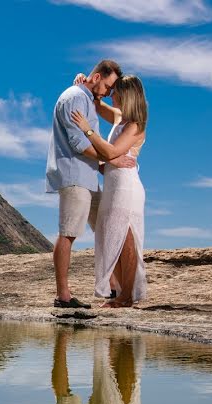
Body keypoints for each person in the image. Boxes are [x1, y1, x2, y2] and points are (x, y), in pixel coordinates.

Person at [46, 60, 136, 309]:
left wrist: (103, 164)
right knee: (69, 232)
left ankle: (116, 287)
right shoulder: (75, 97)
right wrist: (111, 158)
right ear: (97, 77)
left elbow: (92, 135)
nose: (109, 92)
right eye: (108, 86)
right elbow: (79, 144)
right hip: (75, 176)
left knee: (107, 228)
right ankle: (63, 296)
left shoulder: (85, 97)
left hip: (88, 177)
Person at [70, 75, 149, 308]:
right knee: (113, 237)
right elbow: (95, 103)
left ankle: (126, 296)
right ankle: (124, 293)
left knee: (126, 239)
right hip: (114, 185)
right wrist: (82, 84)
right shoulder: (119, 117)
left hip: (127, 187)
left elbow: (112, 151)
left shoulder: (136, 125)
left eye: (115, 92)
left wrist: (87, 131)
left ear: (127, 95)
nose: (111, 95)